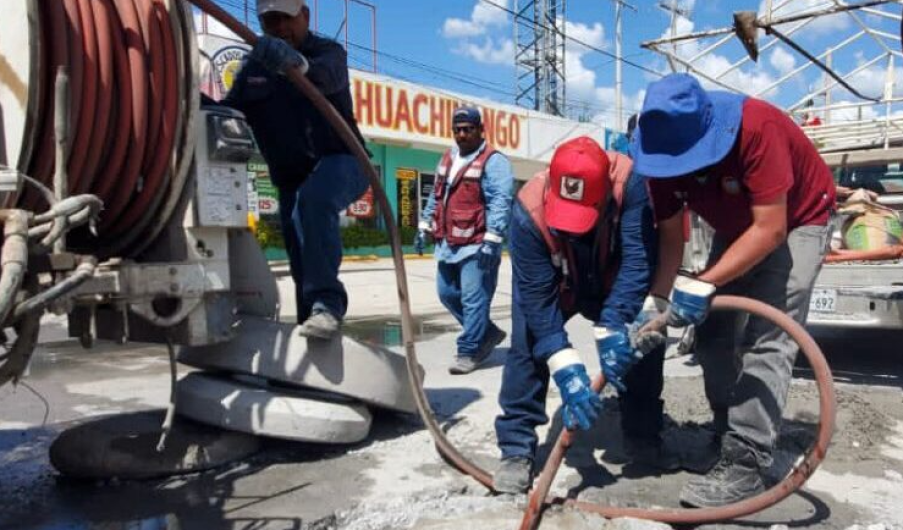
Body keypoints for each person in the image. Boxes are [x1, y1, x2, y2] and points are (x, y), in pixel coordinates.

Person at [630, 73, 836, 507]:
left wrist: (705, 281)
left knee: (769, 333)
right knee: (713, 334)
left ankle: (747, 460)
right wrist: (659, 302)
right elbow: (671, 236)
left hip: (796, 220)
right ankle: (727, 430)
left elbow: (771, 229)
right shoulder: (660, 149)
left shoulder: (758, 129)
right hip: (739, 225)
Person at [492, 136, 672, 494]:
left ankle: (642, 435)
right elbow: (539, 306)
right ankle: (515, 447)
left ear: (606, 194)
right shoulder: (527, 211)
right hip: (560, 281)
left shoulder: (632, 185)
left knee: (643, 339)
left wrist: (614, 324)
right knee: (528, 342)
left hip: (615, 278)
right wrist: (568, 370)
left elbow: (639, 259)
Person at [224, 0, 368, 339]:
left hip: (343, 161)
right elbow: (229, 111)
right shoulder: (254, 68)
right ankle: (315, 327)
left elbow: (328, 76)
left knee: (314, 201)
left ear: (304, 15)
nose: (279, 28)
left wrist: (296, 64)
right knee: (301, 256)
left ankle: (328, 305)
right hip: (292, 179)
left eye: (285, 19)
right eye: (270, 21)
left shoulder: (328, 52)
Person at [415, 107, 514, 375]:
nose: (462, 134)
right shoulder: (449, 157)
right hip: (448, 243)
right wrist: (424, 226)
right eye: (457, 129)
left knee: (473, 299)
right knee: (446, 293)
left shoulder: (494, 161)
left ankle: (469, 351)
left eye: (468, 129)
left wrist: (493, 238)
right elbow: (436, 197)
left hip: (478, 242)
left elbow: (501, 201)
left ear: (480, 130)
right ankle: (487, 333)